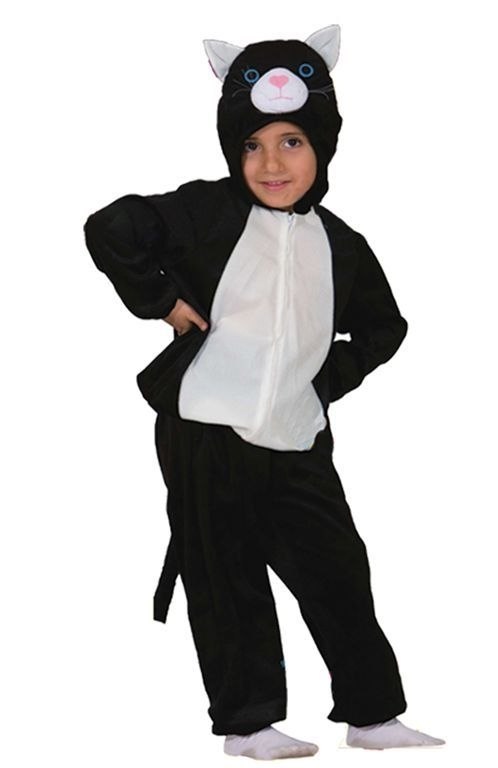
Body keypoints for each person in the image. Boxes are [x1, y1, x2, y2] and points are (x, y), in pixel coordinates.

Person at [83, 24, 445, 760]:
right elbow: (111, 228)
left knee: (337, 568)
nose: (272, 163)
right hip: (205, 429)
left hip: (295, 434)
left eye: (292, 142)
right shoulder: (207, 212)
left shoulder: (341, 244)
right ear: (231, 147)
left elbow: (386, 327)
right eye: (252, 145)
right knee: (226, 573)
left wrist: (321, 383)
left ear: (324, 145)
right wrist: (163, 302)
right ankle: (248, 725)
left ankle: (372, 714)